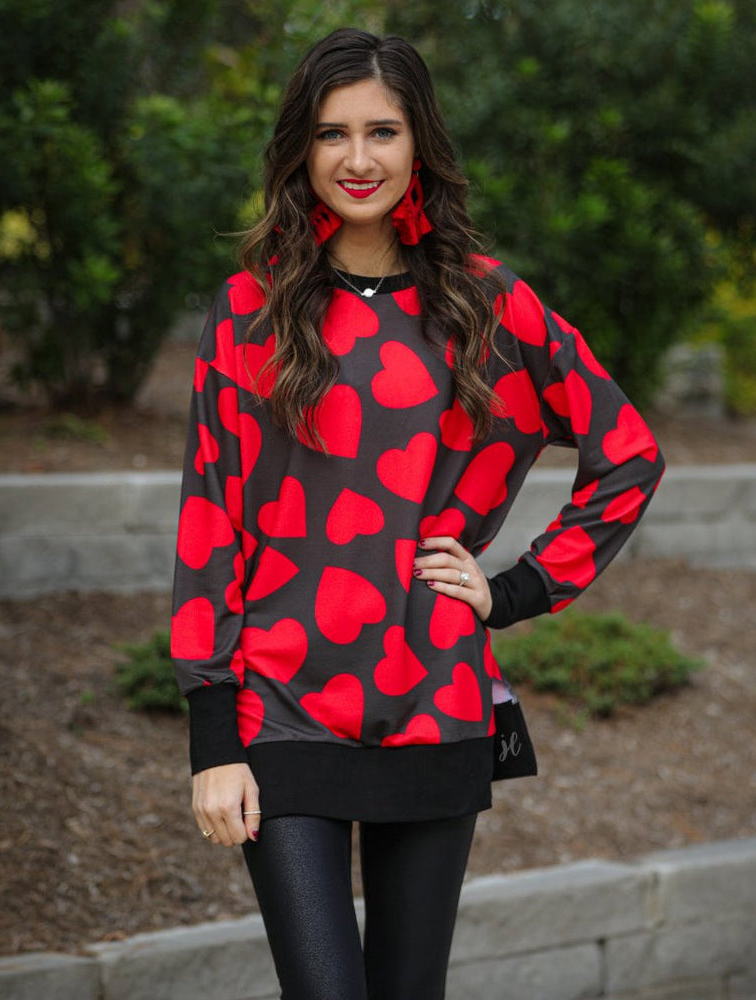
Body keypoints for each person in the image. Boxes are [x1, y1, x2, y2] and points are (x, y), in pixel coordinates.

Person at [170, 27, 665, 1000]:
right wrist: (211, 741)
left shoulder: (487, 305)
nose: (357, 159)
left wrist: (512, 589)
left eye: (382, 131)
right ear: (300, 151)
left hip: (433, 705)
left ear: (418, 144)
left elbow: (628, 452)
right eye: (331, 134)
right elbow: (209, 520)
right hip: (280, 709)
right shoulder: (249, 309)